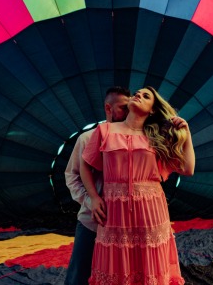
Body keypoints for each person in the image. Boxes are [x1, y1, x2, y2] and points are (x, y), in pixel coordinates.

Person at [81, 86, 195, 284]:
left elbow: (188, 169)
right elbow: (85, 166)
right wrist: (94, 197)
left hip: (151, 211)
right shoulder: (105, 130)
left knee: (150, 266)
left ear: (152, 109)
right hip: (114, 211)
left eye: (145, 96)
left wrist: (187, 134)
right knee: (115, 265)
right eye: (137, 93)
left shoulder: (158, 136)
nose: (138, 96)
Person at [64, 86, 131, 285]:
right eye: (123, 108)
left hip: (124, 224)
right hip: (92, 222)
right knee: (80, 275)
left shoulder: (134, 141)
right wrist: (90, 201)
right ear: (108, 108)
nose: (128, 112)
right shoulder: (86, 138)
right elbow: (72, 175)